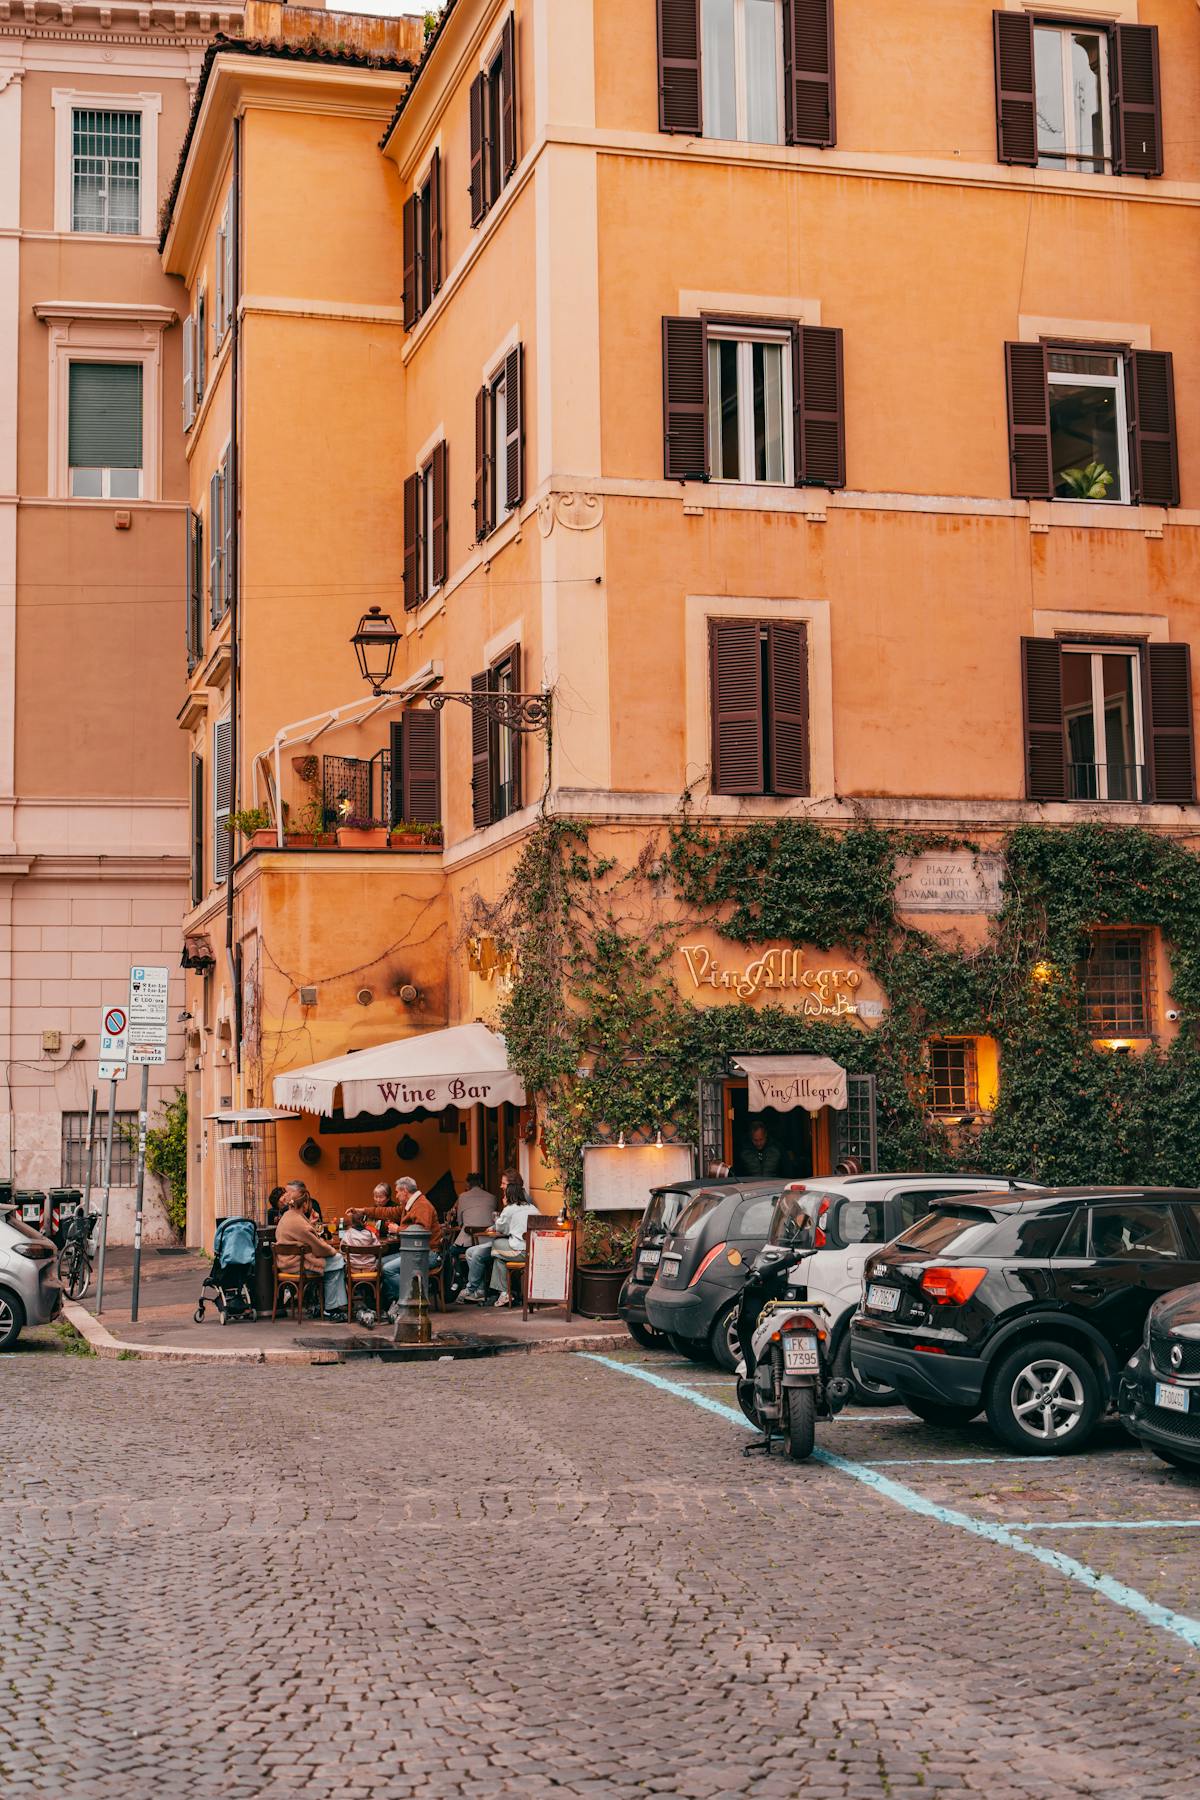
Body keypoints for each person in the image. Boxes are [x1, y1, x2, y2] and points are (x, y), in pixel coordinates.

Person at [459, 1171, 539, 1307]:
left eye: (504, 1184)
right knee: (497, 1258)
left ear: (511, 1189)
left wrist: (505, 1208)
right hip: (533, 1248)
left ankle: (484, 1291)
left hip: (519, 1249)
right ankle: (502, 1294)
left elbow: (501, 1228)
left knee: (495, 1246)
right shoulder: (532, 1207)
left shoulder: (510, 1208)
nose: (501, 1187)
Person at [274, 1192, 347, 1318]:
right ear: (305, 1204)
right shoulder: (299, 1222)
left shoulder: (287, 1217)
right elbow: (319, 1248)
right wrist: (333, 1250)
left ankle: (332, 1306)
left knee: (335, 1266)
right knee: (339, 1259)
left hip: (286, 1263)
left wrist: (311, 1224)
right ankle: (331, 1307)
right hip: (297, 1266)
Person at [381, 1176, 444, 1307]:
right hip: (413, 1252)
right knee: (380, 1263)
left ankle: (412, 1299)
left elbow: (421, 1231)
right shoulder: (409, 1205)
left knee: (388, 1269)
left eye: (397, 1192)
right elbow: (387, 1211)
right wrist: (362, 1211)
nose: (396, 1196)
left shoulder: (422, 1206)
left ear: (405, 1191)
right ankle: (394, 1302)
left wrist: (398, 1229)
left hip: (428, 1254)